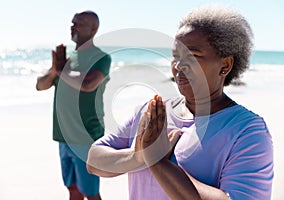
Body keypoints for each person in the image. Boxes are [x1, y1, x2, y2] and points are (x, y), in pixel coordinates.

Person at [86, 5, 273, 200]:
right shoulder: (154, 112)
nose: (178, 65)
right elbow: (93, 161)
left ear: (225, 65)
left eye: (193, 56)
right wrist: (138, 157)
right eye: (175, 56)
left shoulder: (247, 131)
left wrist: (158, 162)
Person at [36, 11, 111, 200]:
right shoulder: (66, 60)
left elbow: (88, 84)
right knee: (73, 189)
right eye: (72, 23)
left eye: (79, 23)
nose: (73, 26)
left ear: (93, 29)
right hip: (63, 136)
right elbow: (40, 85)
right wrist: (55, 71)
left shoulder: (101, 58)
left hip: (85, 137)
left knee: (91, 192)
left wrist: (61, 71)